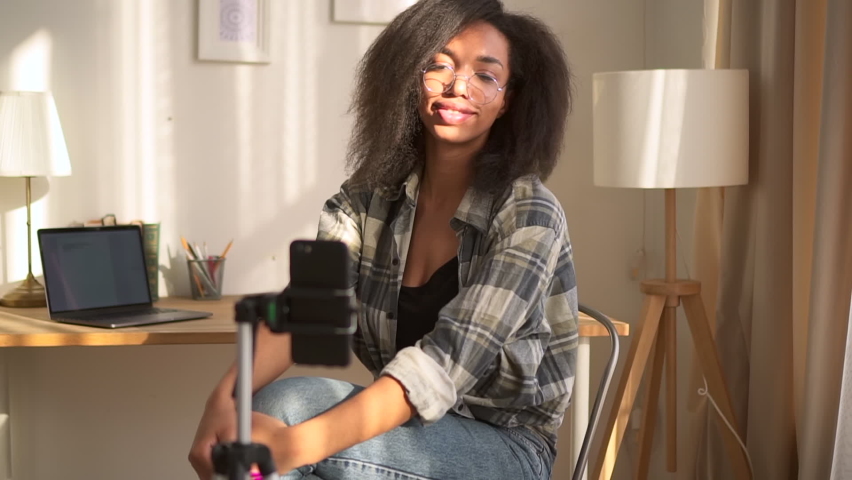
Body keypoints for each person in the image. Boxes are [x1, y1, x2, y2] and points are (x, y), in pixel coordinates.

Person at [188, 0, 577, 478]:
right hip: (410, 426)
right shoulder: (364, 200)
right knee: (268, 408)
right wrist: (222, 404)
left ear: (507, 99)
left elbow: (442, 365)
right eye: (439, 65)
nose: (457, 87)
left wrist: (292, 448)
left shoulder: (529, 214)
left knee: (287, 436)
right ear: (410, 77)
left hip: (506, 445)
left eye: (485, 75)